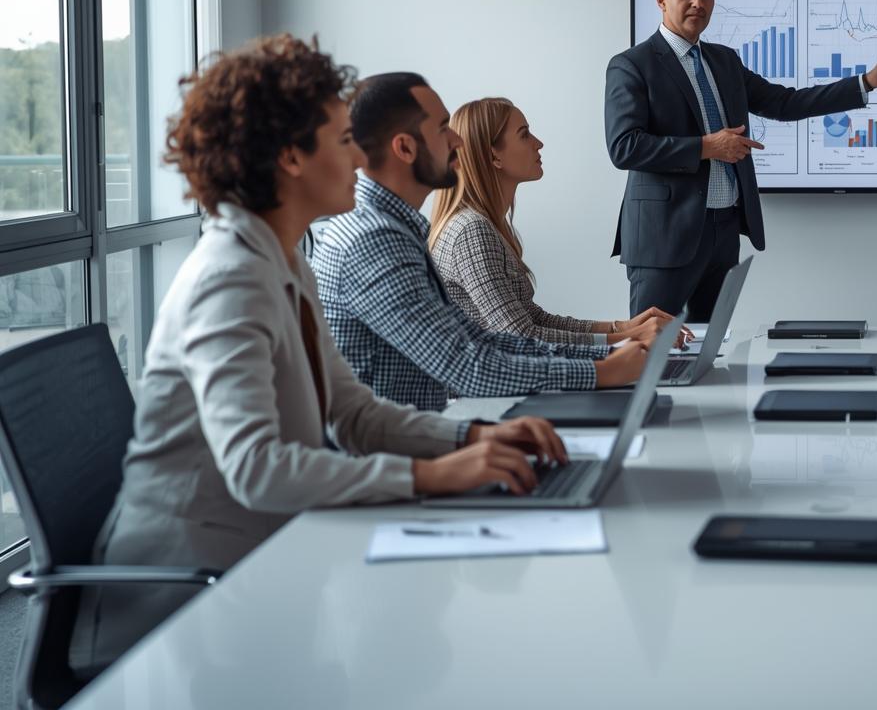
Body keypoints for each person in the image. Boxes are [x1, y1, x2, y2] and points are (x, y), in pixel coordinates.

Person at [70, 35, 571, 672]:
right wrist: (431, 475)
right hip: (183, 603)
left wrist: (473, 437)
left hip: (262, 561)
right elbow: (257, 468)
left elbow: (353, 412)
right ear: (291, 159)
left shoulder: (283, 259)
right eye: (343, 141)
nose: (360, 158)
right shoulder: (230, 279)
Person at [605, 0, 877, 320]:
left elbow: (785, 103)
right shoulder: (632, 64)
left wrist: (866, 83)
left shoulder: (724, 61)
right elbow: (624, 146)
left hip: (723, 232)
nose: (698, 3)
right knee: (650, 344)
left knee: (712, 344)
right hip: (664, 235)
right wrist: (708, 147)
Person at [312, 73, 649, 412]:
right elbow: (464, 366)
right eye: (443, 128)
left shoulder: (398, 229)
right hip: (404, 438)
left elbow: (482, 340)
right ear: (405, 148)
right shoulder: (376, 240)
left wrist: (608, 352)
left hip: (422, 429)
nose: (457, 140)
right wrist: (601, 369)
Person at [429, 96, 688, 347]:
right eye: (524, 135)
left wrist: (621, 327)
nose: (538, 143)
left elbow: (534, 318)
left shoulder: (484, 225)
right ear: (494, 157)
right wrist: (629, 339)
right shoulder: (471, 231)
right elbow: (521, 336)